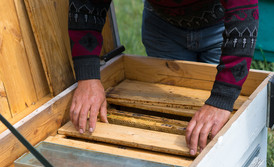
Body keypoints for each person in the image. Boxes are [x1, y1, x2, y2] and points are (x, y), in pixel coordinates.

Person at [68, 0, 259, 156]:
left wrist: (221, 99)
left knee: (214, 132)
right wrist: (88, 77)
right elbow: (88, 4)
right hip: (162, 27)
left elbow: (243, 17)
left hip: (220, 26)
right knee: (173, 123)